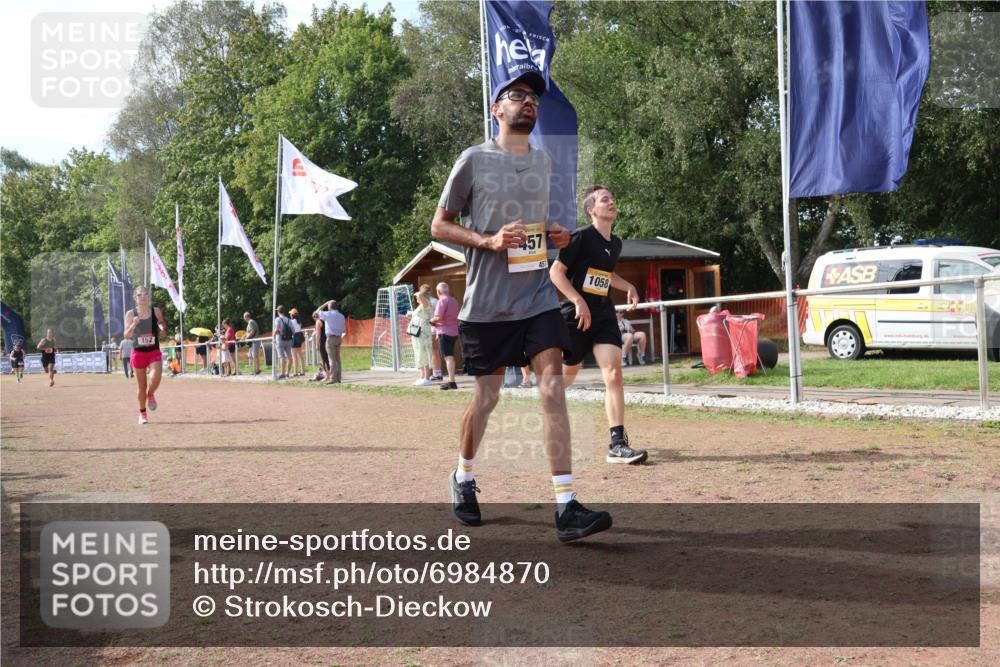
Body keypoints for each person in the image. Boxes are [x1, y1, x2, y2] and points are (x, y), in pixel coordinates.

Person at [431, 70, 612, 542]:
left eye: (533, 97)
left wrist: (557, 235)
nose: (528, 102)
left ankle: (566, 506)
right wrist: (487, 240)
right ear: (497, 109)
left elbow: (541, 227)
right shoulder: (473, 160)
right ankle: (463, 476)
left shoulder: (543, 163)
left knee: (552, 390)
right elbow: (439, 226)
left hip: (536, 299)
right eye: (517, 95)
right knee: (487, 398)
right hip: (486, 306)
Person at [550, 185, 649, 465]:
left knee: (613, 372)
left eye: (613, 198)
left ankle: (617, 444)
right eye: (605, 199)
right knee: (568, 374)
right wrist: (577, 300)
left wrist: (628, 285)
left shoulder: (615, 243)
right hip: (577, 315)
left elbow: (606, 274)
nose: (612, 202)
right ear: (591, 209)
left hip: (604, 314)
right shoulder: (579, 237)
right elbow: (556, 273)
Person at [123, 286, 166, 424]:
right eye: (139, 295)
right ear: (134, 298)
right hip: (138, 352)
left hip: (153, 351)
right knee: (142, 386)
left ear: (148, 297)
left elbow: (161, 323)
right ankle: (142, 413)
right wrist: (133, 324)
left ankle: (151, 393)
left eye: (145, 294)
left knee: (156, 377)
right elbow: (126, 335)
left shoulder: (156, 311)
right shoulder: (131, 314)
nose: (143, 297)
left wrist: (162, 329)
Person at [430, 282, 460, 390]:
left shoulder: (442, 300)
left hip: (444, 331)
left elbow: (438, 317)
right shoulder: (454, 300)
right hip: (454, 331)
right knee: (450, 356)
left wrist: (431, 321)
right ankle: (452, 381)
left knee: (448, 357)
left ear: (438, 291)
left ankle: (452, 382)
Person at [312, 300, 346, 384]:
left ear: (329, 307)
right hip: (339, 338)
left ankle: (333, 378)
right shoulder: (341, 316)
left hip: (331, 338)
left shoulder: (328, 314)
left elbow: (316, 313)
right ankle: (338, 378)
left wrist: (325, 304)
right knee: (338, 359)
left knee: (331, 359)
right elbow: (343, 329)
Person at [409, 291, 434, 386]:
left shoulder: (427, 304)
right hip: (417, 333)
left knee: (424, 354)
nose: (417, 298)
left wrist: (418, 293)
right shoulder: (420, 306)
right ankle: (422, 377)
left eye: (418, 297)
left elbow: (421, 297)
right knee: (419, 355)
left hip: (424, 334)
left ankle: (427, 378)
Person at [421, 283, 443, 381]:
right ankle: (434, 373)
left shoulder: (433, 301)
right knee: (432, 352)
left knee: (434, 351)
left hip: (433, 329)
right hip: (428, 329)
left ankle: (437, 373)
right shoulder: (431, 301)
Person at [272, 306, 294, 379]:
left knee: (282, 357)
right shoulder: (288, 320)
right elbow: (293, 331)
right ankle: (287, 373)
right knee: (289, 357)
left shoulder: (278, 319)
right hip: (288, 340)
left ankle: (282, 373)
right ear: (284, 311)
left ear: (278, 312)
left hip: (280, 339)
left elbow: (276, 329)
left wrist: (273, 337)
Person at [289, 308, 305, 377]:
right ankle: (302, 371)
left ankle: (295, 372)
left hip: (294, 337)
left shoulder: (291, 321)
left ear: (292, 315)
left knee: (294, 356)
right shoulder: (299, 321)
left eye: (290, 314)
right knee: (300, 355)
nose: (290, 315)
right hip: (299, 337)